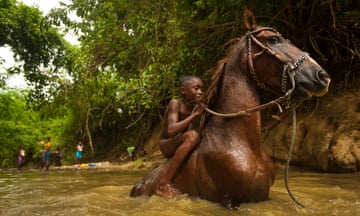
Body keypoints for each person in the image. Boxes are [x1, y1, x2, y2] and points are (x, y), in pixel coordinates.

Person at [155, 75, 205, 198]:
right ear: (183, 90)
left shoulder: (196, 106)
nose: (200, 92)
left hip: (181, 142)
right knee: (193, 135)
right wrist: (195, 115)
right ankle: (163, 183)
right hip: (167, 144)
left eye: (202, 89)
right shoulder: (175, 103)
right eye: (196, 88)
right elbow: (171, 130)